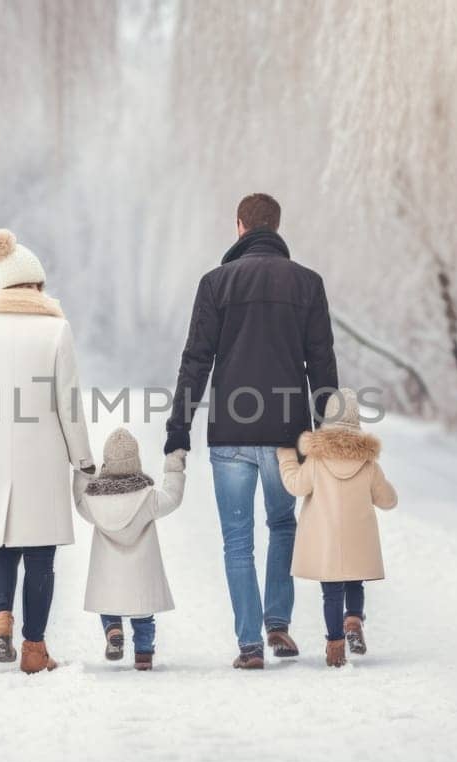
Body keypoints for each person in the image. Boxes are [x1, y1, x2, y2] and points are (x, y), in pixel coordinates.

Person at [164, 193, 339, 669]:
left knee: (237, 539)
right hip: (288, 433)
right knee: (283, 526)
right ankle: (277, 623)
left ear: (239, 226)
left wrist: (178, 430)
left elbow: (195, 361)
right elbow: (321, 362)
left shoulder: (215, 283)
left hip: (231, 434)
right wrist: (329, 430)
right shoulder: (307, 284)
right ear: (277, 227)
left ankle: (249, 643)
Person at [0, 228, 94, 675]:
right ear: (35, 285)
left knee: (1, 546)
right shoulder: (56, 330)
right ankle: (34, 650)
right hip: (43, 454)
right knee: (40, 556)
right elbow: (69, 403)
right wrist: (83, 458)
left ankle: (1, 616)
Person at [276, 388, 398, 667]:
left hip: (326, 540)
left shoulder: (317, 459)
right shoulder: (368, 463)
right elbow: (388, 500)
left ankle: (335, 646)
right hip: (358, 537)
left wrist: (286, 457)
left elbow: (296, 486)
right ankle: (353, 620)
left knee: (331, 592)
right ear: (357, 422)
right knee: (355, 580)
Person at [74, 428, 186, 672]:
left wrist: (83, 474)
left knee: (108, 605)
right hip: (141, 573)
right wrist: (174, 464)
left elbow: (79, 501)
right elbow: (173, 498)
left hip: (108, 573)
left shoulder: (93, 500)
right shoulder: (148, 498)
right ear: (136, 462)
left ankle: (113, 629)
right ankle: (143, 653)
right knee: (143, 612)